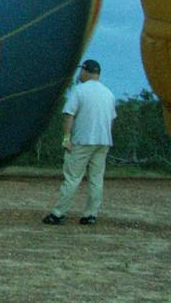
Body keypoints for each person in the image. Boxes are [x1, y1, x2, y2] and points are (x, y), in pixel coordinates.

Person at [43, 59, 117, 226]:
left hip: (83, 141)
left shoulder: (79, 91)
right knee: (96, 179)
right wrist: (106, 138)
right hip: (103, 142)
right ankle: (91, 215)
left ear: (85, 71)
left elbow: (69, 115)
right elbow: (112, 120)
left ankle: (58, 213)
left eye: (81, 71)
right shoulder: (109, 94)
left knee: (72, 178)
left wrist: (66, 138)